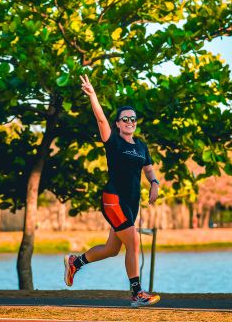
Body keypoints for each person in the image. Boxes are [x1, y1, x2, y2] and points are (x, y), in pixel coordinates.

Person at [63, 74, 161, 307]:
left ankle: (76, 262)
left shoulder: (141, 146)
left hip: (130, 203)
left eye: (133, 119)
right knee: (134, 242)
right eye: (124, 119)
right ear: (118, 124)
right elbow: (100, 119)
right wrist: (93, 96)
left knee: (112, 249)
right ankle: (137, 294)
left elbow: (148, 169)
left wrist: (154, 182)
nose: (129, 122)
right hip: (113, 199)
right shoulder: (113, 141)